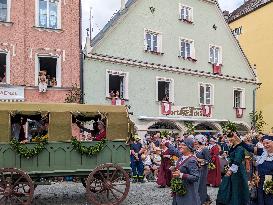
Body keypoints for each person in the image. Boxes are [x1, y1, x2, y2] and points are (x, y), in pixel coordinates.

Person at [216, 132, 249, 205]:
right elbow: (232, 157)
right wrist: (227, 156)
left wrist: (230, 170)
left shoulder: (240, 147)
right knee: (229, 187)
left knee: (236, 188)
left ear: (236, 137)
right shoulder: (233, 146)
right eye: (228, 137)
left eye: (231, 137)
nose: (229, 139)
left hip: (237, 171)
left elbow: (237, 159)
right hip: (232, 169)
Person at [240, 135, 273, 205]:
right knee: (260, 201)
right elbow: (249, 148)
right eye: (264, 144)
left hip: (270, 185)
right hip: (260, 183)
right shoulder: (263, 152)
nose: (265, 145)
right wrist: (238, 140)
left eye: (267, 143)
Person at [167, 138, 201, 205]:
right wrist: (175, 168)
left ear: (189, 147)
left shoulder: (192, 160)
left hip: (187, 192)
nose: (180, 146)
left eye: (183, 145)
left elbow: (196, 177)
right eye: (180, 144)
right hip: (179, 190)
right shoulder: (182, 157)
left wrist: (181, 175)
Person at [195, 134, 211, 204]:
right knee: (198, 184)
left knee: (202, 184)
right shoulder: (197, 148)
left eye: (196, 140)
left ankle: (202, 200)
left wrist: (198, 160)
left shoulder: (205, 149)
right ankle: (203, 198)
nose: (195, 141)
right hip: (198, 168)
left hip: (203, 168)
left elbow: (208, 160)